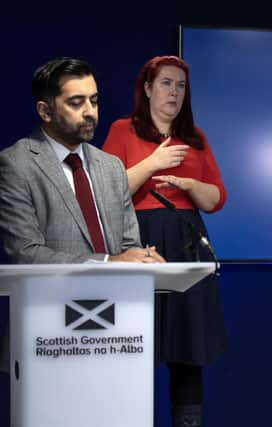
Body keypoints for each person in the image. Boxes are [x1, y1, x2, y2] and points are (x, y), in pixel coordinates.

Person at [0, 57, 164, 374]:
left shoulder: (111, 167)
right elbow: (26, 254)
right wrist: (109, 262)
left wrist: (142, 257)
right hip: (48, 334)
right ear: (45, 111)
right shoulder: (15, 164)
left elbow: (130, 244)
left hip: (119, 331)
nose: (90, 111)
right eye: (76, 102)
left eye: (94, 100)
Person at [102, 55, 226, 427]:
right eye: (167, 83)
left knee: (187, 351)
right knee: (131, 343)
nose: (175, 92)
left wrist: (189, 185)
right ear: (148, 88)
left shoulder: (195, 137)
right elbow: (109, 192)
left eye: (181, 85)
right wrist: (153, 163)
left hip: (186, 243)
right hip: (137, 241)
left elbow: (216, 199)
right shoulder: (123, 130)